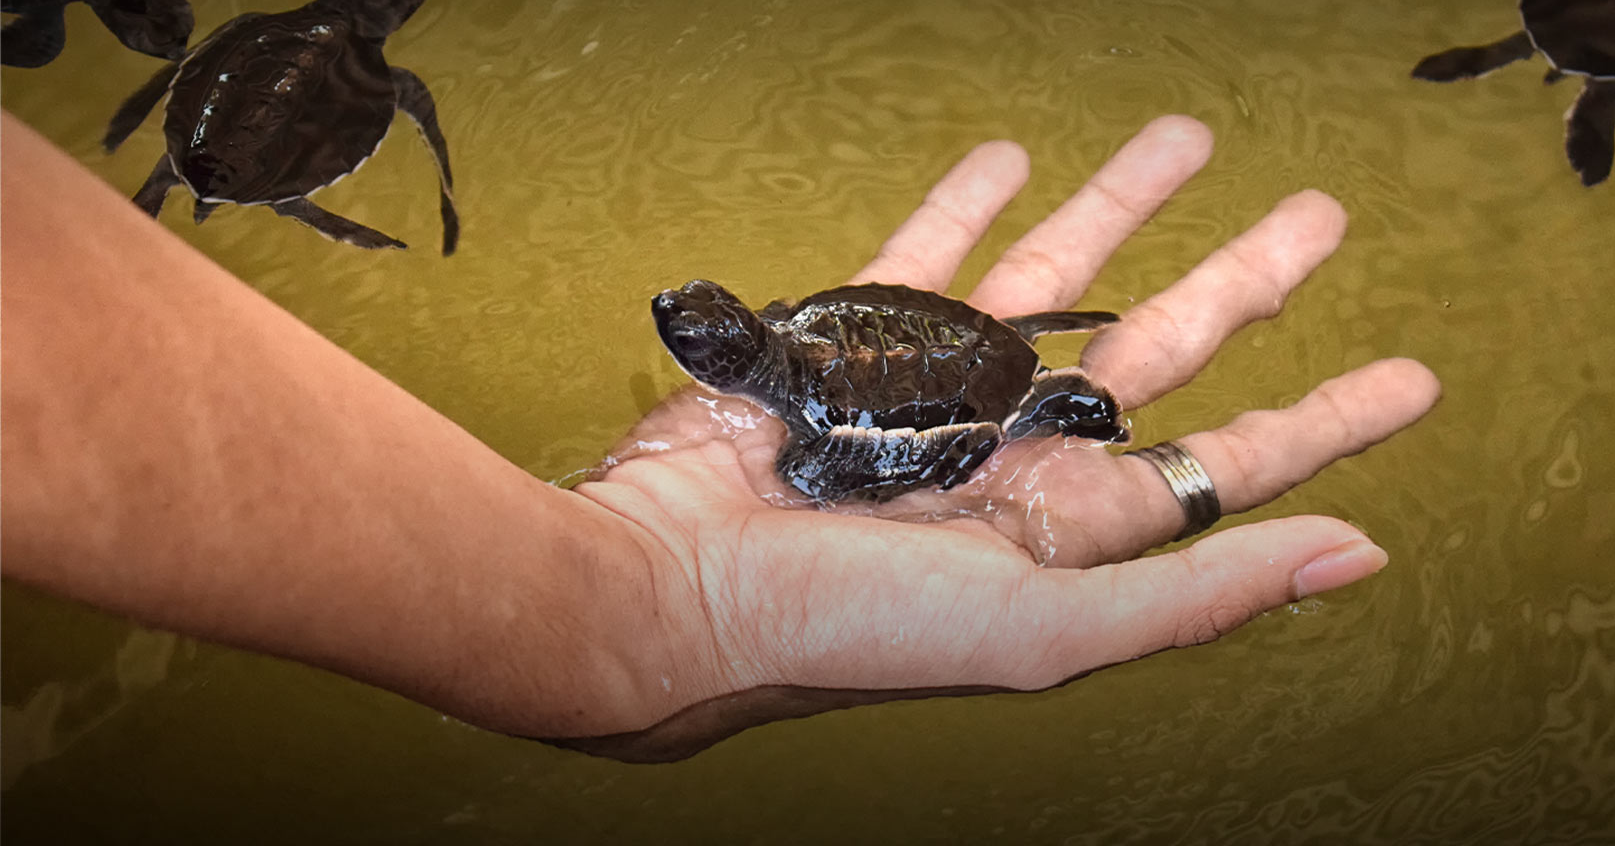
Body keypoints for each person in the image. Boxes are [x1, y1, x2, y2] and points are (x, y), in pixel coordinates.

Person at [0, 111, 1440, 762]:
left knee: (992, 407)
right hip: (883, 360)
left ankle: (1057, 406)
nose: (691, 338)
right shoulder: (788, 368)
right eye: (700, 335)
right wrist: (650, 612)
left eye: (702, 335)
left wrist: (646, 604)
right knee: (942, 397)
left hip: (951, 383)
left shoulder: (801, 403)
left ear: (738, 340)